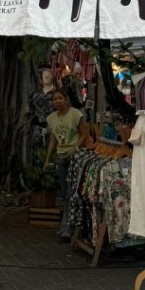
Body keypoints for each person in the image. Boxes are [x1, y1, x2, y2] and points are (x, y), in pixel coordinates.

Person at [44, 88, 84, 238]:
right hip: (61, 157)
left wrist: (75, 149)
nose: (57, 101)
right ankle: (66, 226)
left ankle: (68, 228)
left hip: (75, 158)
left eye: (60, 98)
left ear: (66, 99)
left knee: (72, 192)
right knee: (65, 192)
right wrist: (48, 158)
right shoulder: (52, 118)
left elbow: (84, 134)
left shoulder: (76, 115)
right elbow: (53, 138)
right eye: (55, 99)